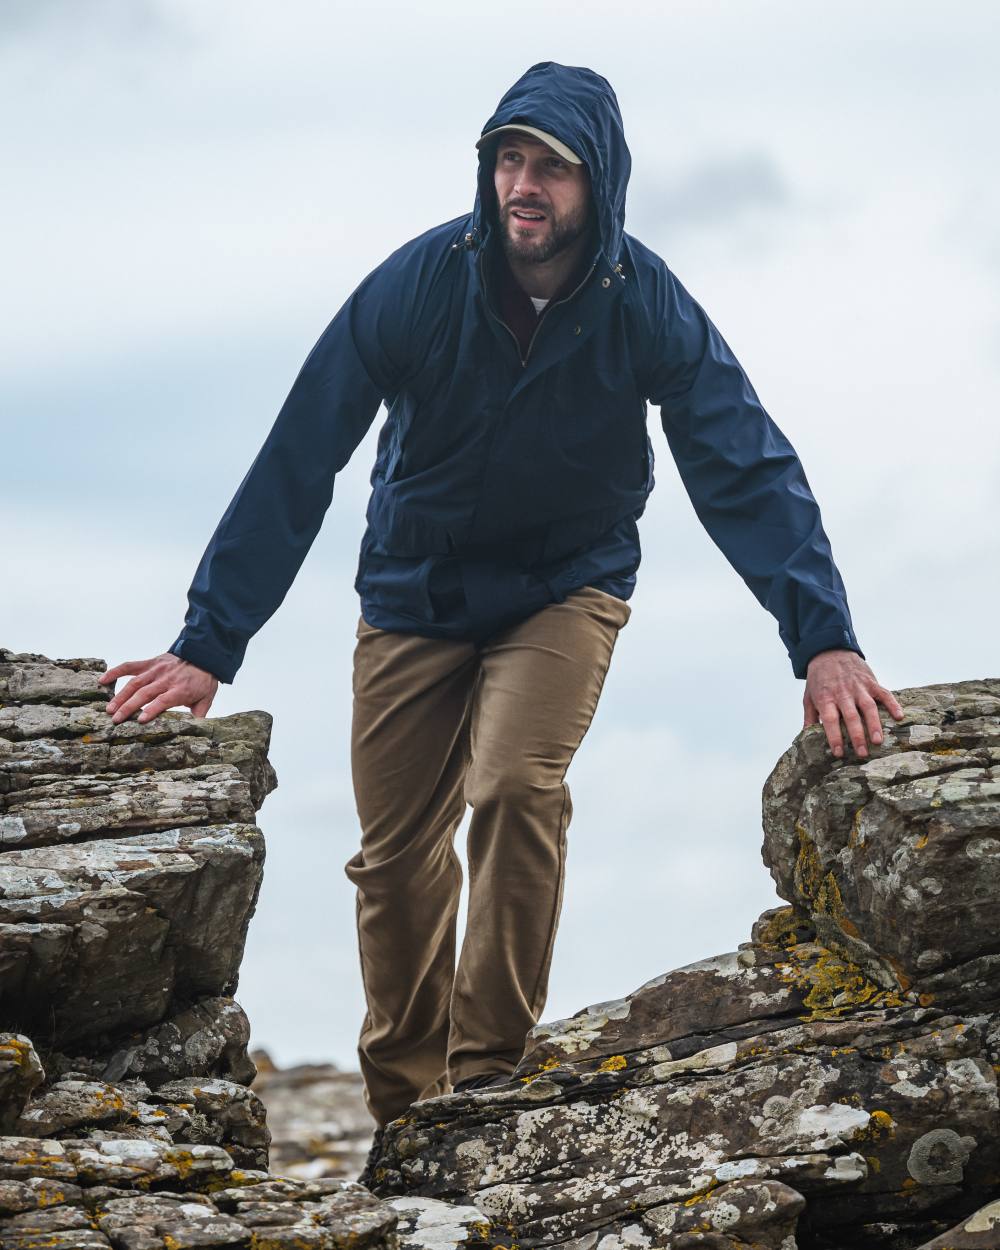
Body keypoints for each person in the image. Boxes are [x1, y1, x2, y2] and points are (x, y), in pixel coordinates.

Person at [98, 62, 904, 1131]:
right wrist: (210, 641)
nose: (524, 185)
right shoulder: (418, 283)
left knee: (516, 786)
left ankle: (485, 1086)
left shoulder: (643, 301)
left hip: (564, 587)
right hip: (413, 590)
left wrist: (824, 638)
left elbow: (743, 464)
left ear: (598, 184)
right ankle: (404, 1114)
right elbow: (300, 453)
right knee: (395, 864)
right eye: (508, 161)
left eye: (551, 167)